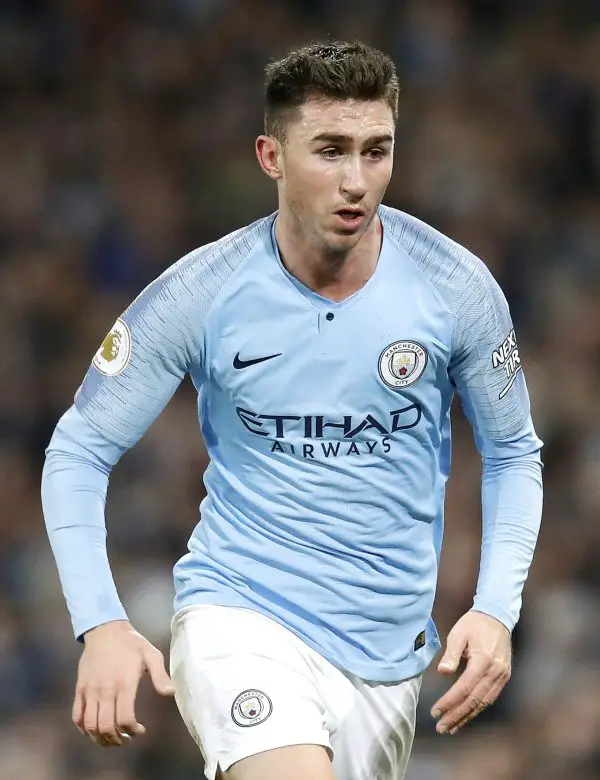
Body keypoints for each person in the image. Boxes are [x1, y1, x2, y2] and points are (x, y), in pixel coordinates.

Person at [41, 40, 543, 780]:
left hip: (387, 655)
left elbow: (513, 452)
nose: (356, 181)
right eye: (330, 151)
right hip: (240, 613)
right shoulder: (202, 293)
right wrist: (101, 622)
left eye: (376, 152)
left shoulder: (455, 287)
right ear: (271, 157)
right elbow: (79, 450)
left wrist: (496, 607)